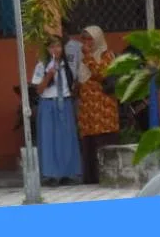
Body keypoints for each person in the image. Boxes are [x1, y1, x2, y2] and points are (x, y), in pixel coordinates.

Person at [34, 35, 82, 186]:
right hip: (49, 104)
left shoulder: (67, 65)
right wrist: (49, 74)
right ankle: (51, 174)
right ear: (47, 50)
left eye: (58, 46)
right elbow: (39, 89)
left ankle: (66, 173)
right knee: (49, 140)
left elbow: (72, 86)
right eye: (52, 47)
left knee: (66, 139)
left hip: (65, 104)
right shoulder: (42, 65)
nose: (56, 50)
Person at [77, 25, 120, 184]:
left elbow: (101, 74)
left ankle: (108, 176)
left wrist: (89, 57)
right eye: (84, 39)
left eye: (90, 39)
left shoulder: (107, 55)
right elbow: (81, 81)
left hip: (103, 108)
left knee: (104, 142)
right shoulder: (83, 59)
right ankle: (91, 178)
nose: (87, 42)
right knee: (89, 143)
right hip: (88, 109)